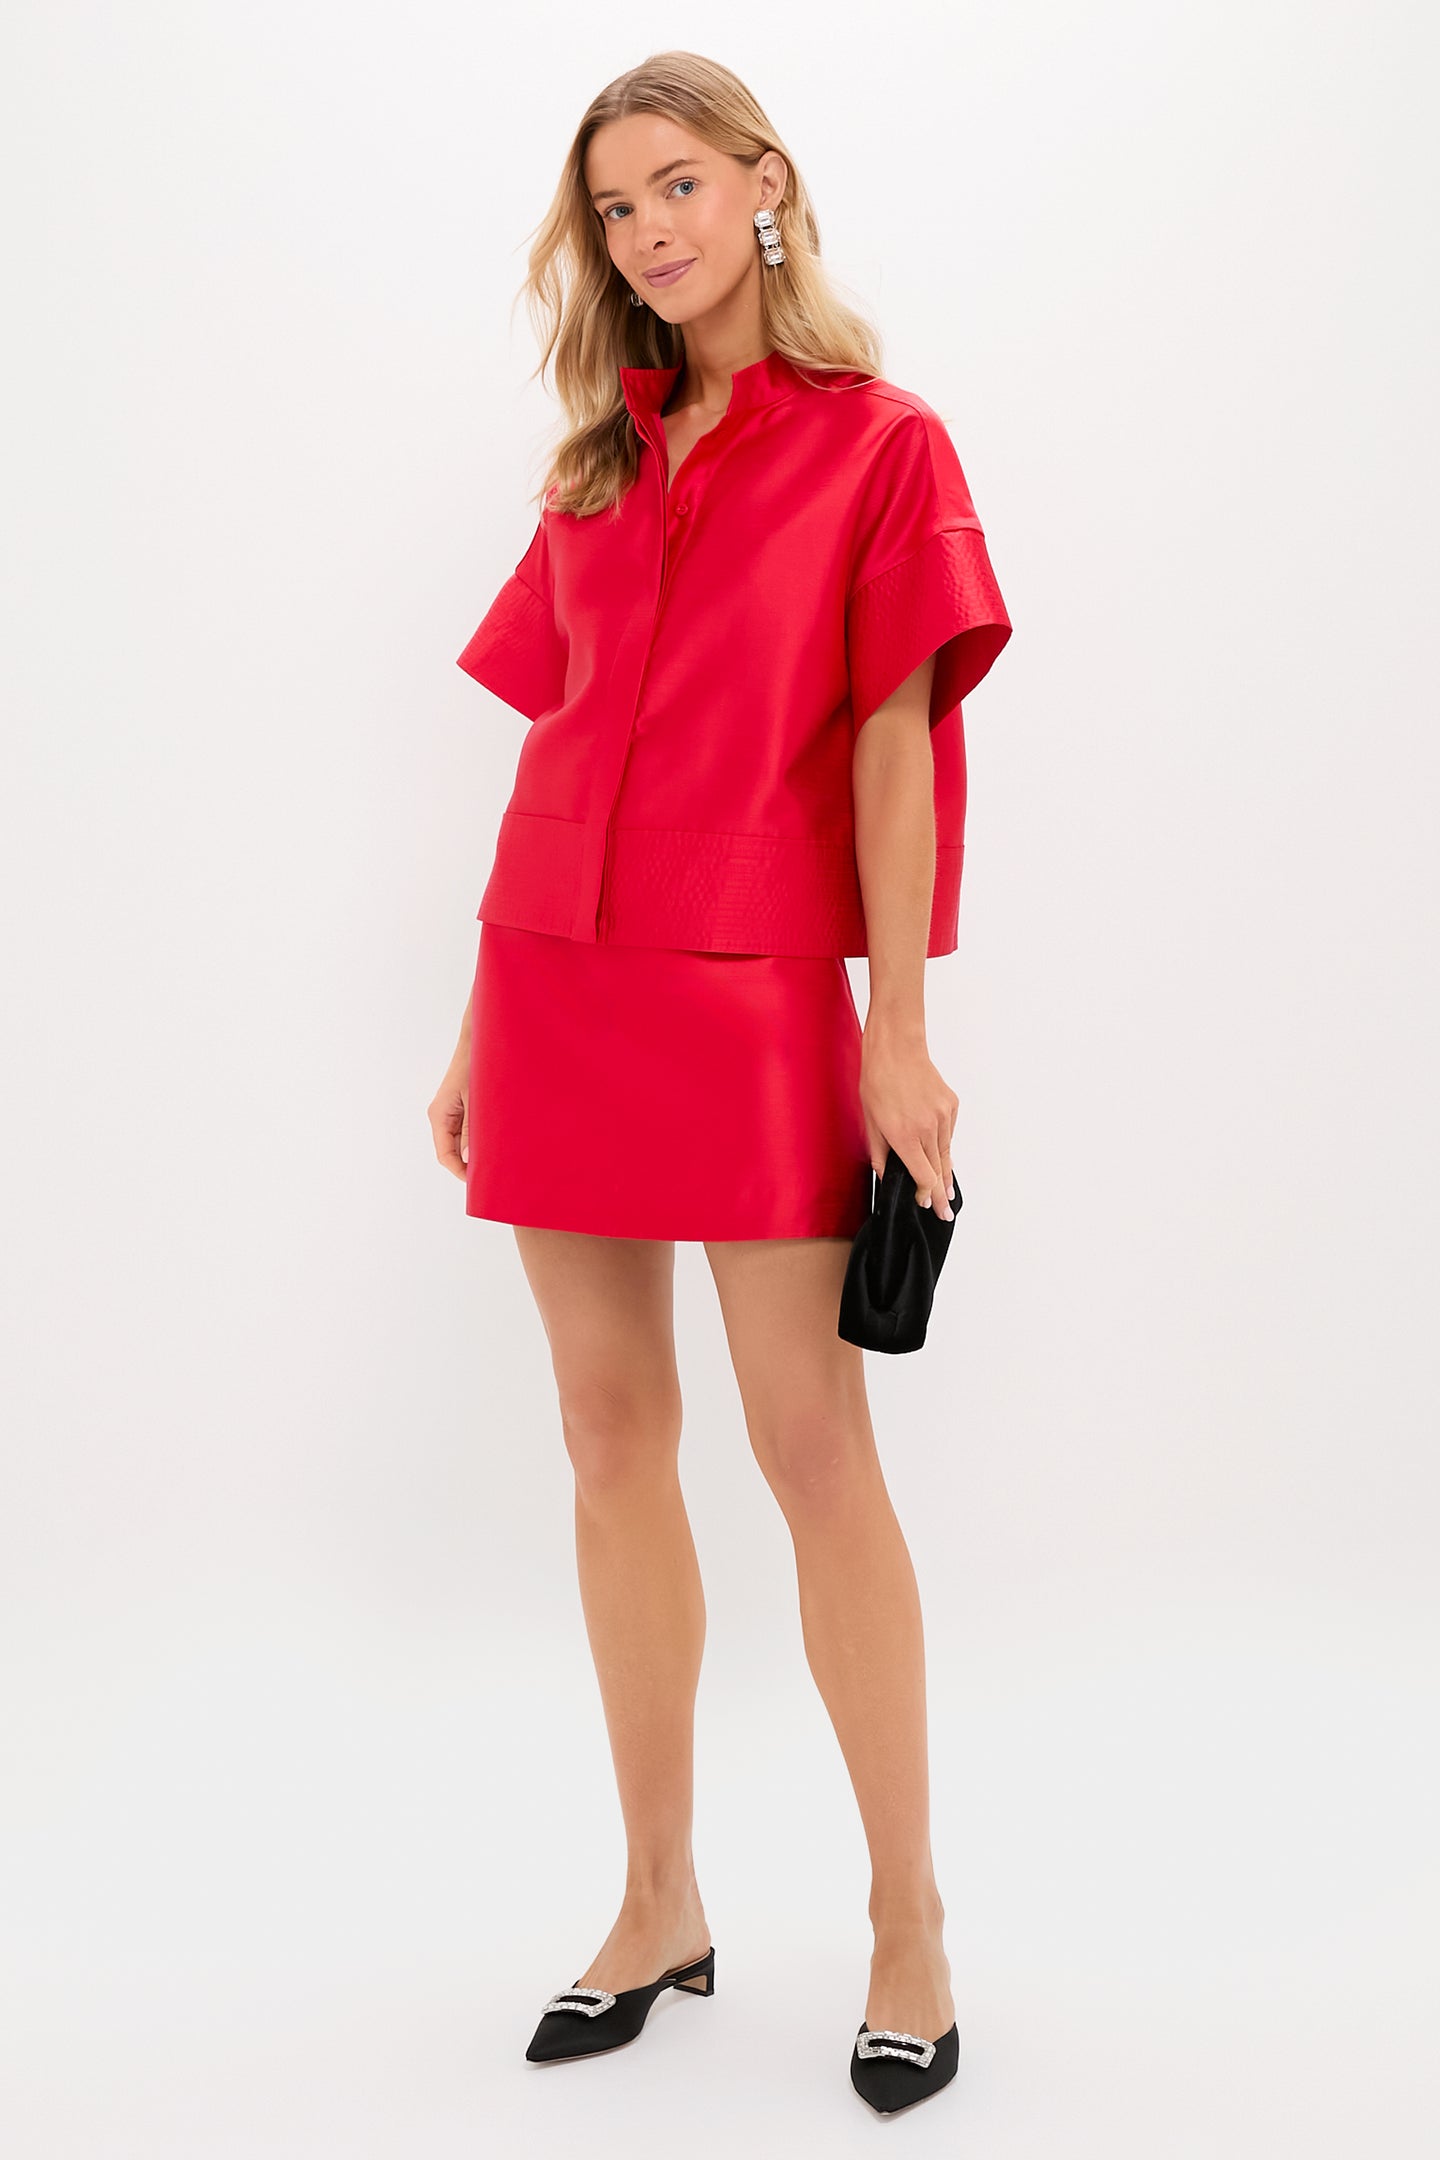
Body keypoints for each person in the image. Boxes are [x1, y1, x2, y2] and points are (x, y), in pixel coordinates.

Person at [427, 50, 1012, 2116]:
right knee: (605, 1433)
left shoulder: (882, 446)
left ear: (766, 185)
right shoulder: (599, 462)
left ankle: (909, 1917)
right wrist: (482, 1022)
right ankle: (659, 1896)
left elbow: (885, 744)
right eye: (612, 207)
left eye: (676, 187)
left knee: (809, 1449)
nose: (646, 232)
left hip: (758, 984)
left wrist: (896, 1025)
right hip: (559, 976)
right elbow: (549, 739)